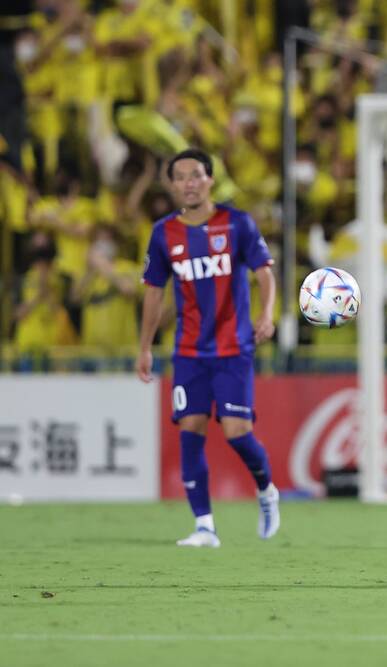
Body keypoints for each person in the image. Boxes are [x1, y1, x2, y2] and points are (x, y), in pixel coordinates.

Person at [136, 148, 279, 548]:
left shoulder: (237, 223)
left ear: (210, 180)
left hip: (234, 348)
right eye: (180, 177)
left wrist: (267, 313)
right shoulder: (164, 233)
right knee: (190, 430)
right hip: (189, 351)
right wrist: (145, 347)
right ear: (172, 185)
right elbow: (153, 292)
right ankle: (204, 526)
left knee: (237, 433)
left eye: (196, 175)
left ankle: (266, 490)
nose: (189, 183)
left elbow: (264, 272)